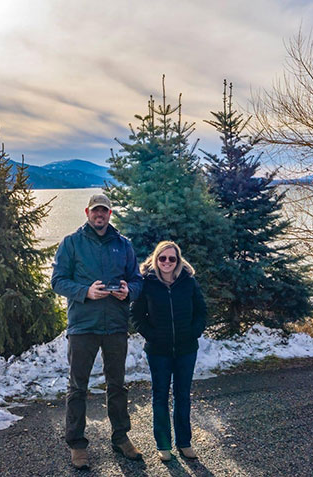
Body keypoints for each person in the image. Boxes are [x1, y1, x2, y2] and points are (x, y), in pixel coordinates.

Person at [51, 193, 144, 470]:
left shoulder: (123, 245)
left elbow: (137, 280)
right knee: (78, 387)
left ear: (110, 214)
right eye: (95, 211)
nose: (99, 215)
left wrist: (128, 292)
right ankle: (77, 444)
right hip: (82, 327)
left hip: (115, 326)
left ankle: (120, 437)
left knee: (117, 384)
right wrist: (85, 292)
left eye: (104, 211)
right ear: (87, 212)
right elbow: (57, 281)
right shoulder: (72, 243)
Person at [130, 240, 207, 462]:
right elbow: (136, 315)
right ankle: (163, 445)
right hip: (158, 351)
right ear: (156, 259)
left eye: (171, 258)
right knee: (160, 397)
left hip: (186, 349)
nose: (166, 262)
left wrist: (193, 332)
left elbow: (201, 311)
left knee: (182, 396)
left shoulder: (188, 282)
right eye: (162, 258)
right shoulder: (147, 283)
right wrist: (152, 335)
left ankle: (184, 443)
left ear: (178, 260)